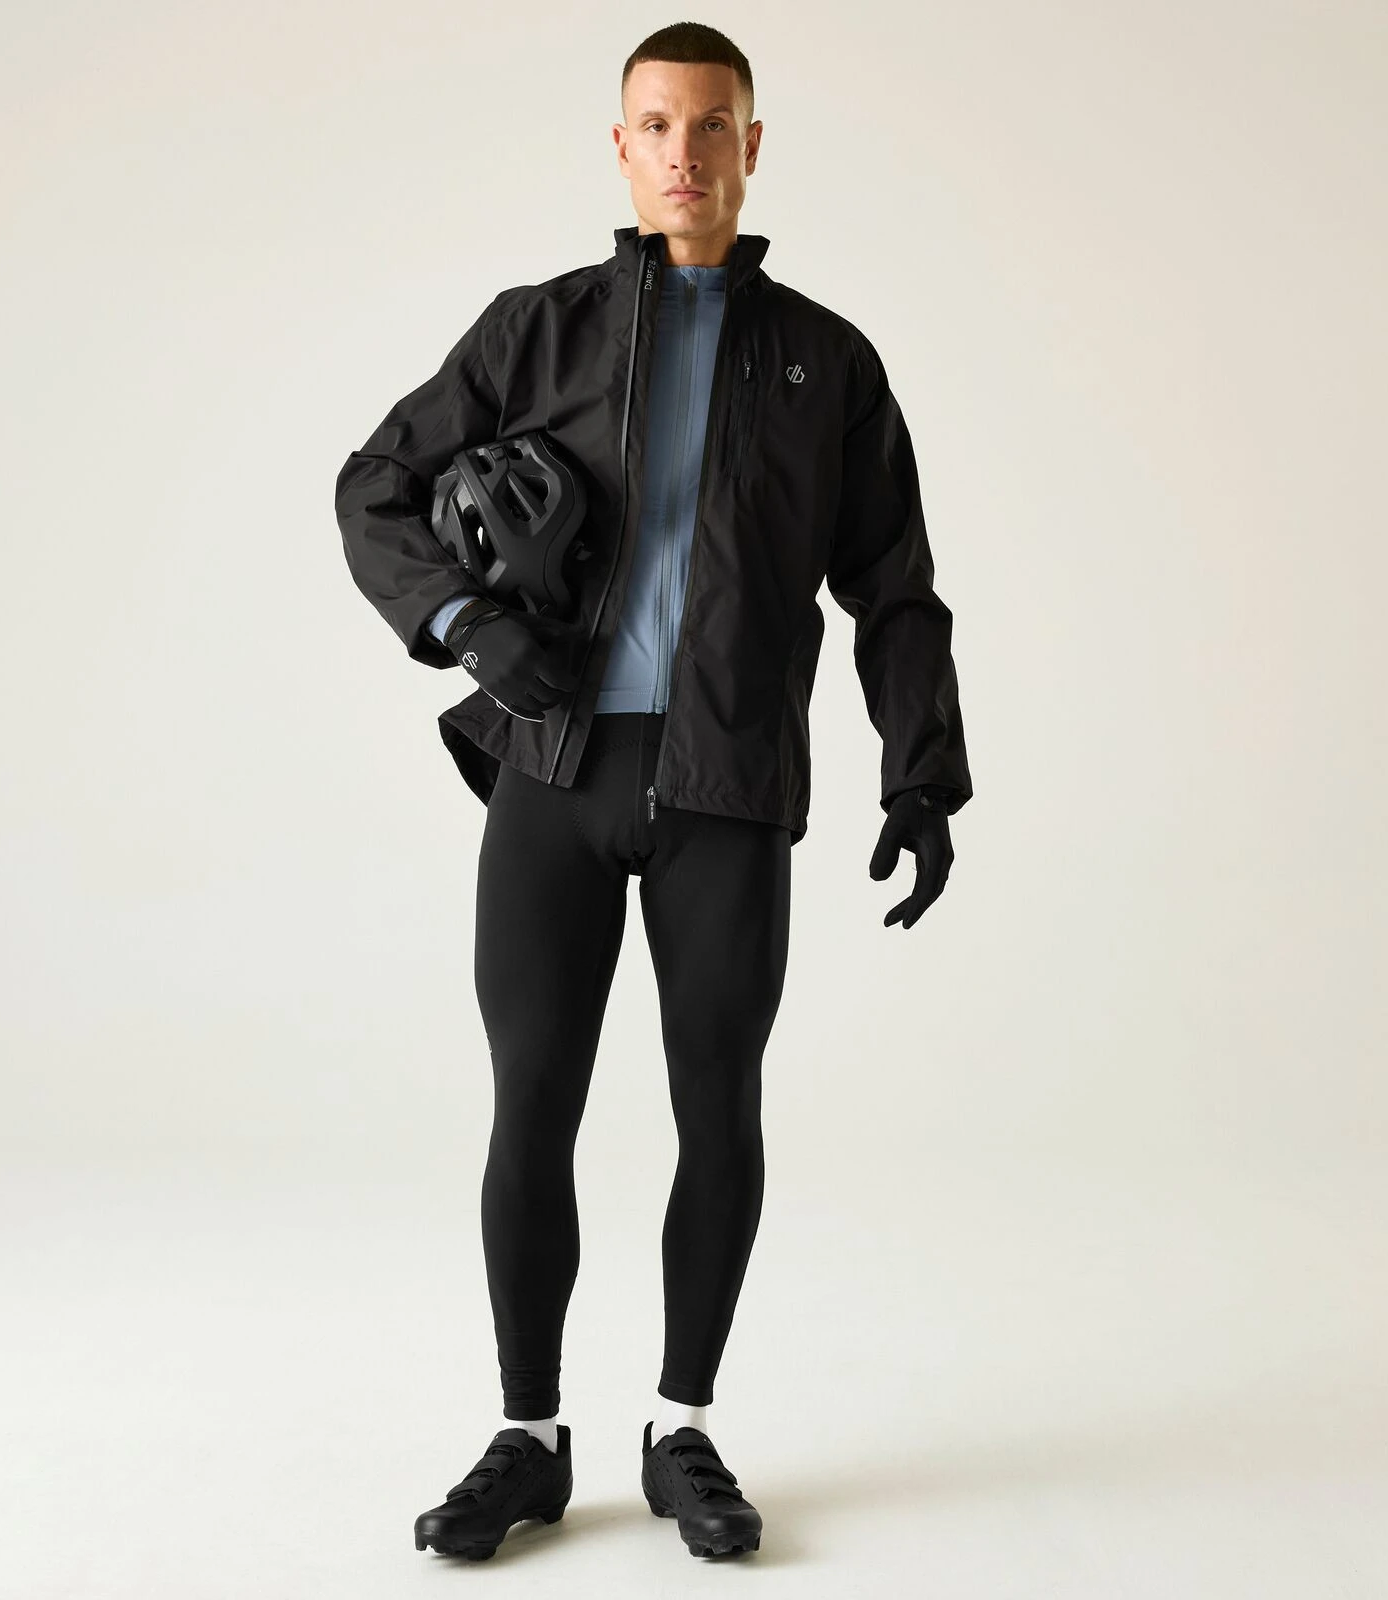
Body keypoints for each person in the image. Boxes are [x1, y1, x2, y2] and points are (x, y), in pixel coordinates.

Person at [334, 21, 973, 1562]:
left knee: (719, 1115)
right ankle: (529, 1437)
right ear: (620, 147)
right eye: (657, 125)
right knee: (530, 1110)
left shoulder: (828, 363)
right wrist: (467, 621)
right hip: (552, 770)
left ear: (754, 145)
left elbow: (894, 587)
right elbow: (375, 486)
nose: (685, 152)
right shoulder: (535, 331)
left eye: (713, 125)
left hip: (726, 786)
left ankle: (682, 1426)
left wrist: (924, 771)